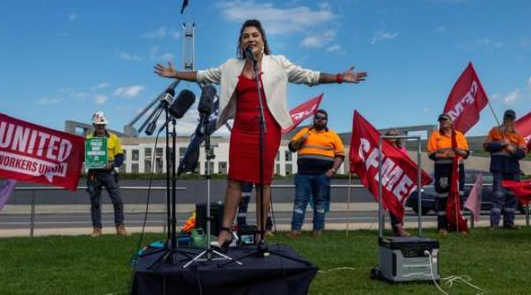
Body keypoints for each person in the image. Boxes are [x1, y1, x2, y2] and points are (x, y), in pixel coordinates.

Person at [154, 19, 367, 247]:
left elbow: (308, 77)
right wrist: (176, 74)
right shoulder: (230, 67)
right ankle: (225, 232)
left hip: (267, 129)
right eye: (246, 36)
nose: (251, 39)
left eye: (255, 35)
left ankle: (261, 233)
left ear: (263, 40)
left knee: (262, 183)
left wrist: (338, 78)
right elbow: (204, 75)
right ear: (241, 42)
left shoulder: (278, 63)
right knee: (234, 181)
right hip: (242, 129)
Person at [286, 109, 344, 239]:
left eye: (323, 118)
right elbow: (292, 147)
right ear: (314, 119)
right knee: (300, 203)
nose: (320, 120)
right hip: (303, 175)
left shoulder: (333, 135)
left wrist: (333, 170)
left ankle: (317, 230)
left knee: (320, 203)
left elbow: (340, 155)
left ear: (326, 120)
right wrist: (301, 139)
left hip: (322, 175)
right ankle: (295, 230)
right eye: (318, 117)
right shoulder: (304, 131)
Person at [86, 111, 129, 237]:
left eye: (103, 125)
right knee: (95, 203)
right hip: (94, 174)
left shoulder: (113, 138)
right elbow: (83, 157)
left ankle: (120, 227)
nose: (101, 127)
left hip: (109, 173)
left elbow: (120, 158)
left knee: (118, 201)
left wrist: (112, 164)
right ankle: (97, 229)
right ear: (94, 124)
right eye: (99, 125)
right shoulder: (88, 139)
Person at [483, 109, 527, 230]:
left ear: (514, 120)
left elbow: (523, 152)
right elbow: (486, 146)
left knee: (512, 197)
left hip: (513, 169)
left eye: (511, 118)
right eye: (507, 117)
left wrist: (513, 150)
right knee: (498, 195)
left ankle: (509, 223)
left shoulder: (518, 135)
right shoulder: (494, 131)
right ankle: (494, 224)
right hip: (498, 168)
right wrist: (501, 143)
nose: (509, 120)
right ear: (503, 118)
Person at [427, 113, 470, 236]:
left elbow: (466, 154)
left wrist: (459, 151)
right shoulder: (435, 136)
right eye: (441, 121)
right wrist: (446, 154)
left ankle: (459, 225)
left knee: (458, 196)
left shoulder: (459, 135)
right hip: (442, 170)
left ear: (451, 122)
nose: (443, 122)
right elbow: (431, 154)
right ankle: (442, 226)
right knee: (443, 197)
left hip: (458, 169)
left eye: (445, 120)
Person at [384, 128, 411, 237]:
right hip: (388, 180)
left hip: (400, 180)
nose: (392, 136)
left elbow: (408, 163)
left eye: (394, 134)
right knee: (392, 203)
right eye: (389, 135)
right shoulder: (383, 148)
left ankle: (396, 229)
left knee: (400, 205)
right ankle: (399, 227)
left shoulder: (402, 149)